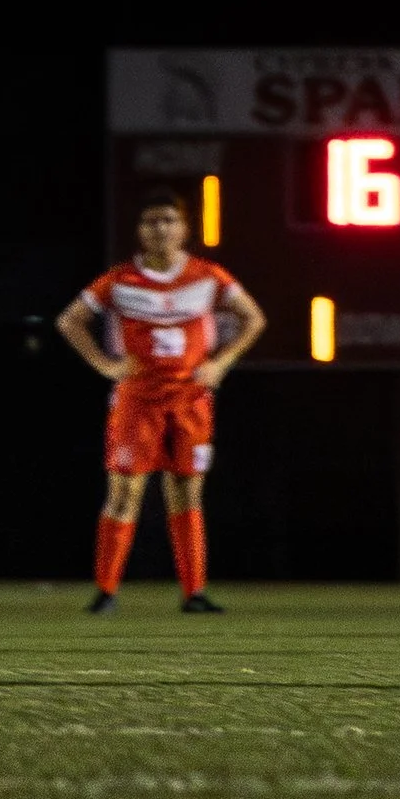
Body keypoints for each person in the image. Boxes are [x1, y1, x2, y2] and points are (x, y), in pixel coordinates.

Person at [57, 187, 267, 613]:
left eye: (169, 220)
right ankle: (106, 592)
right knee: (124, 491)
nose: (160, 228)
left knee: (187, 491)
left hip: (191, 399)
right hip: (138, 400)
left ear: (184, 229)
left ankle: (194, 593)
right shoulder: (119, 281)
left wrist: (221, 363)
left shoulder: (208, 276)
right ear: (140, 230)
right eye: (151, 221)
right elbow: (70, 320)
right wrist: (104, 364)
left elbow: (254, 317)